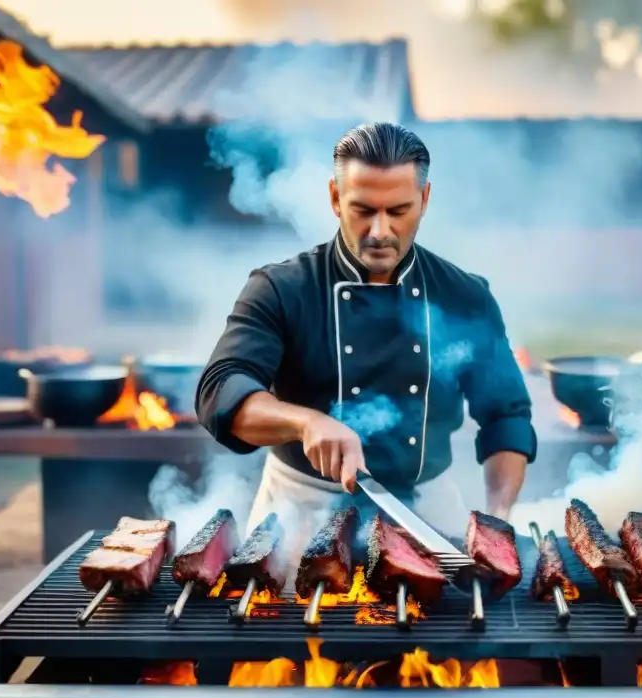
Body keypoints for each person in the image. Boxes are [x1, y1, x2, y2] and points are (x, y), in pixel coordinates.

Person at [196, 121, 536, 542]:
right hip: (301, 511)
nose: (379, 231)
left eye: (397, 211)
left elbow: (506, 414)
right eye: (363, 209)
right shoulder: (281, 289)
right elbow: (220, 391)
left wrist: (498, 516)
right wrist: (305, 423)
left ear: (424, 200)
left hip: (427, 511)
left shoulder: (464, 296)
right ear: (335, 198)